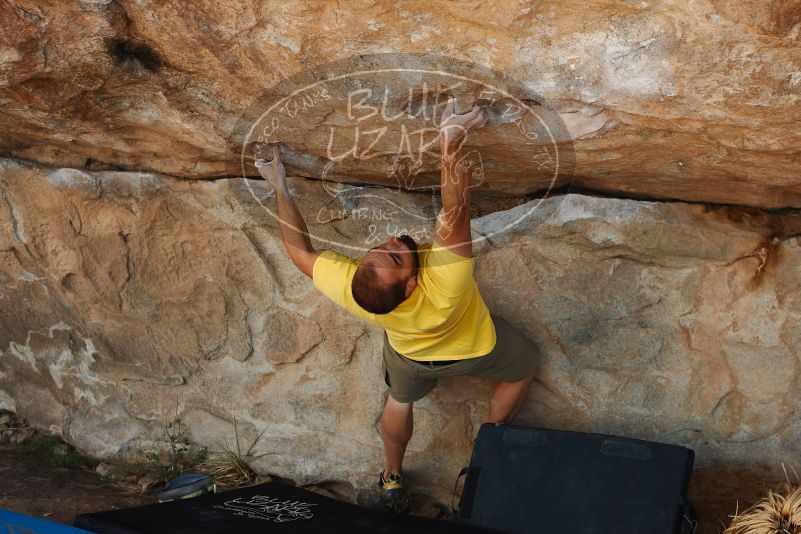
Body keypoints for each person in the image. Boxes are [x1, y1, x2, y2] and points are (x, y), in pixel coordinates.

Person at [255, 96, 541, 514]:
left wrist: (278, 185)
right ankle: (490, 447)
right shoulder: (447, 282)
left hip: (412, 358)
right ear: (411, 286)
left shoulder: (356, 289)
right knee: (524, 364)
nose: (391, 242)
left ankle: (391, 475)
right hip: (478, 347)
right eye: (395, 256)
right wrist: (451, 136)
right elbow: (455, 209)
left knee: (399, 400)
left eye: (378, 249)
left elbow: (299, 253)